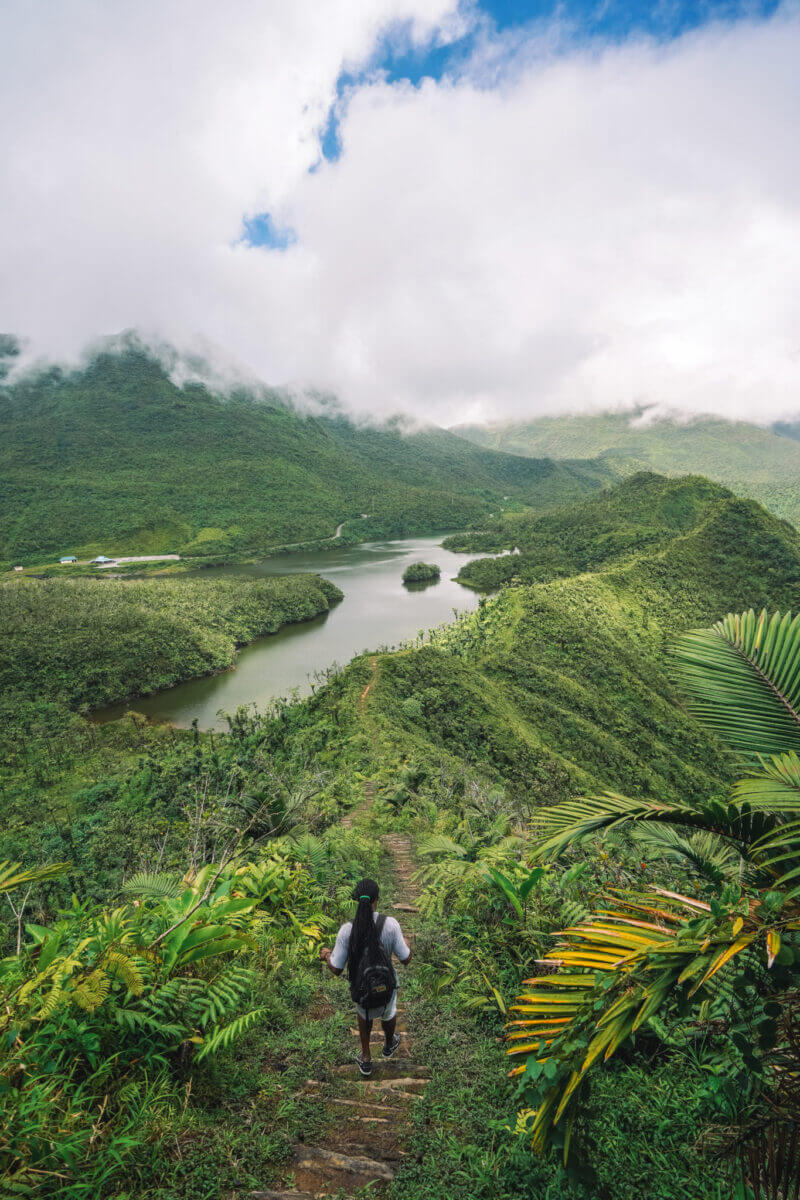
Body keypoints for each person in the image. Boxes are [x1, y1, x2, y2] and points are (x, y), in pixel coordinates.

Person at [319, 878, 412, 1076]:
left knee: (364, 1014)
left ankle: (366, 1057)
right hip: (387, 987)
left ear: (355, 900)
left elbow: (336, 968)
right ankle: (388, 1044)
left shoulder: (347, 930)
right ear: (377, 899)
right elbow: (406, 959)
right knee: (389, 1012)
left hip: (361, 987)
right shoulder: (391, 925)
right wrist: (405, 942)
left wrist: (326, 955)